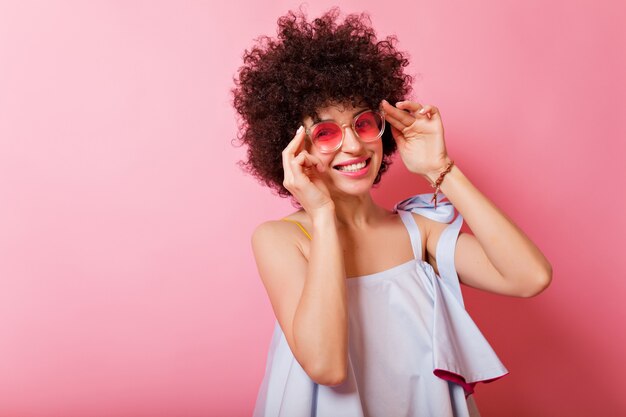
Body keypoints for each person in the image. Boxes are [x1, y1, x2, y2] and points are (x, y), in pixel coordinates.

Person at [233, 8, 552, 417]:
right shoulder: (281, 239)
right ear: (294, 148)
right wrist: (323, 215)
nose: (353, 146)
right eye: (326, 133)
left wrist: (441, 169)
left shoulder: (419, 232)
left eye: (363, 124)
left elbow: (530, 277)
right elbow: (327, 366)